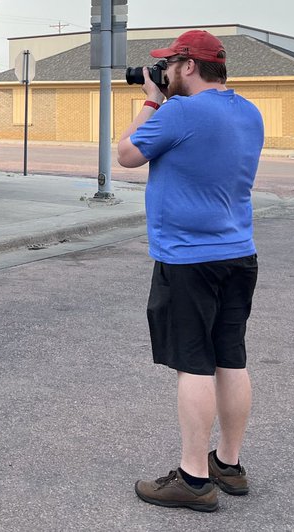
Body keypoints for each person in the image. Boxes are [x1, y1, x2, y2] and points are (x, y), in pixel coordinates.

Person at [117, 30, 265, 513]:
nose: (164, 71)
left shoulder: (178, 112)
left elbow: (127, 155)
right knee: (231, 359)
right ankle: (229, 464)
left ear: (187, 66)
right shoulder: (249, 112)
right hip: (238, 255)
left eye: (170, 63)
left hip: (187, 259)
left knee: (194, 365)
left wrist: (151, 102)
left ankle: (192, 479)